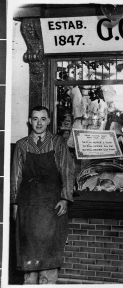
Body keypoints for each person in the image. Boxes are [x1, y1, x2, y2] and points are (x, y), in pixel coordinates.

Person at [10, 106, 74, 284]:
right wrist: (15, 204)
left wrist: (65, 198)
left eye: (43, 119)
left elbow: (67, 171)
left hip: (52, 205)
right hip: (28, 207)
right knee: (29, 264)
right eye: (35, 119)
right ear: (29, 121)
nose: (39, 123)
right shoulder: (22, 145)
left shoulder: (58, 142)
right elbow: (16, 176)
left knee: (49, 261)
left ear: (48, 121)